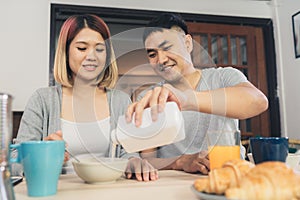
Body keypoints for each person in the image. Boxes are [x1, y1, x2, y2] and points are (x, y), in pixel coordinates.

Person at [15, 14, 157, 181]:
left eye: (99, 49)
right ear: (65, 52)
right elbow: (15, 159)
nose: (92, 56)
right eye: (82, 48)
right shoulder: (43, 100)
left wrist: (133, 161)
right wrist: (42, 155)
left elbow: (127, 152)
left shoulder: (121, 101)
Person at [126, 13, 269, 175]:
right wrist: (181, 161)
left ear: (187, 43)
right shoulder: (149, 97)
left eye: (167, 48)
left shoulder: (223, 77)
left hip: (232, 175)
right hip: (173, 183)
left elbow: (258, 102)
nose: (161, 60)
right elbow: (149, 160)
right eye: (152, 54)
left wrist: (187, 99)